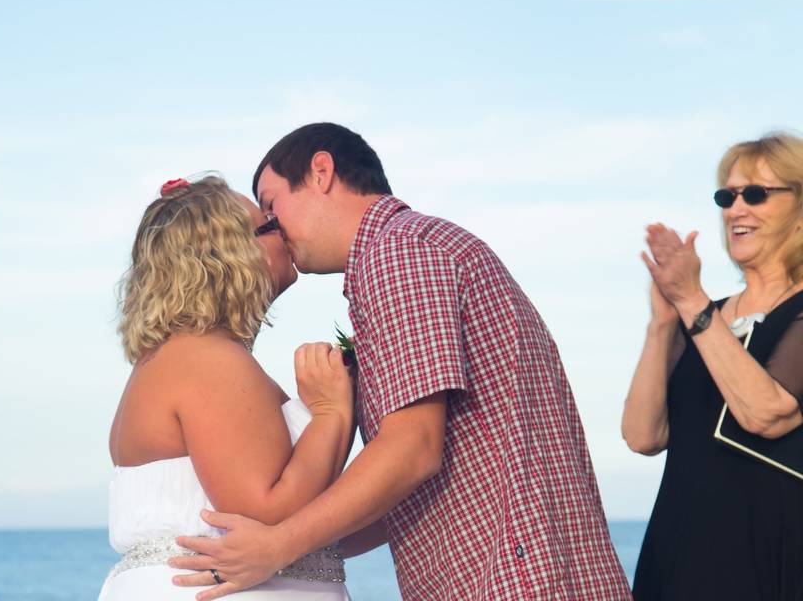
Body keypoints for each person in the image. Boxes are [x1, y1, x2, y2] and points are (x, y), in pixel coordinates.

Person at [168, 123, 631, 600]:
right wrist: (290, 554)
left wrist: (279, 546)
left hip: (514, 581)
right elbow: (416, 484)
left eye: (271, 205)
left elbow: (414, 448)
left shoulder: (398, 251)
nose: (273, 227)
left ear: (321, 172)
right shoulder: (422, 244)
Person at [98, 175, 355, 600]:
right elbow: (262, 510)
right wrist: (330, 413)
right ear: (230, 253)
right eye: (268, 226)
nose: (283, 229)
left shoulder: (178, 357)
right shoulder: (205, 358)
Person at [625, 132, 803, 600]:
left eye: (756, 194)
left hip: (770, 558)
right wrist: (663, 324)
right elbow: (643, 436)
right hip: (679, 551)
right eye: (727, 196)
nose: (735, 210)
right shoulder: (703, 313)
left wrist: (691, 301)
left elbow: (767, 412)